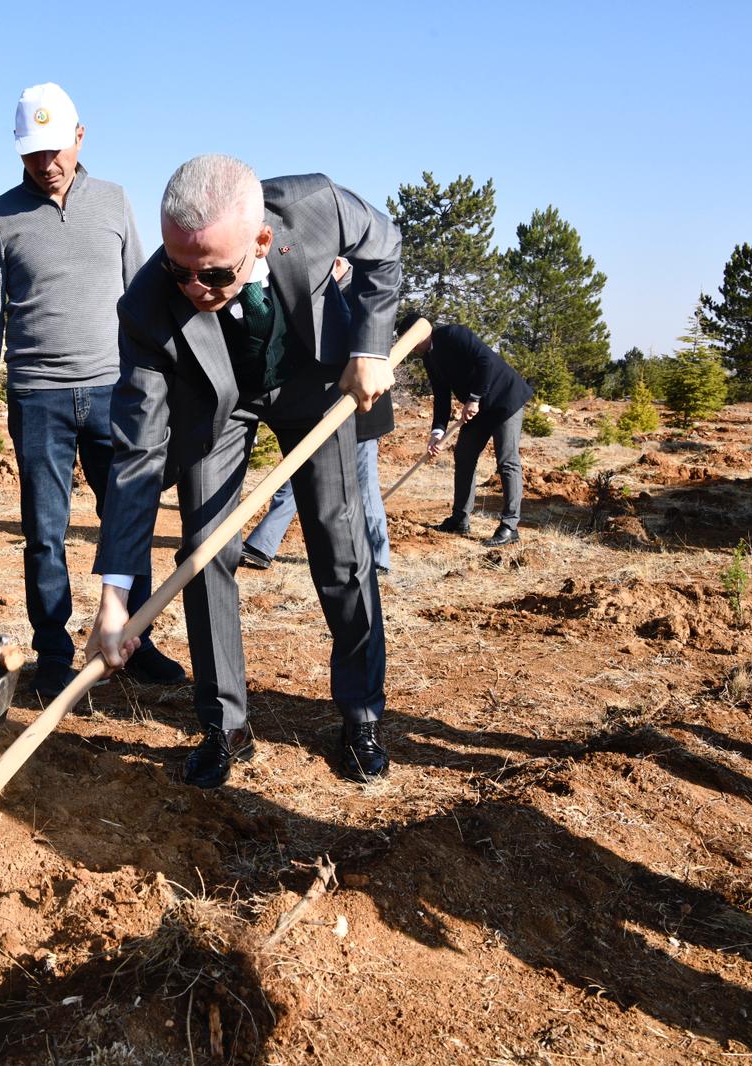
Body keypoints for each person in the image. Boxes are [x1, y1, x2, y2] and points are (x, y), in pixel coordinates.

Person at [89, 154, 399, 789]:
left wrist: (369, 348)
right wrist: (114, 599)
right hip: (218, 402)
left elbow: (384, 245)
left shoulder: (316, 207)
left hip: (319, 378)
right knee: (204, 552)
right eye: (181, 271)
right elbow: (137, 456)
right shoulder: (148, 307)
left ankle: (361, 715)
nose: (196, 290)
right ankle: (224, 725)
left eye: (215, 273)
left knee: (341, 546)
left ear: (261, 240)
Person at [0, 82, 185, 698]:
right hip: (38, 398)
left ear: (80, 137)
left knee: (128, 517)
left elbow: (148, 297)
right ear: (19, 152)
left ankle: (135, 637)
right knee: (44, 530)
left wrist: (163, 384)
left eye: (57, 148)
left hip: (116, 392)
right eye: (34, 153)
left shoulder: (114, 202)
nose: (47, 162)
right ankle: (54, 652)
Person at [242, 258, 394, 571]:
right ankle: (262, 545)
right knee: (296, 477)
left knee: (365, 487)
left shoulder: (360, 295)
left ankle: (379, 558)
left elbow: (369, 357)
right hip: (322, 408)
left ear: (337, 263)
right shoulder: (318, 293)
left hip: (362, 409)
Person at [414, 323, 533, 547]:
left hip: (504, 399)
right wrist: (437, 432)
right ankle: (460, 519)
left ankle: (510, 526)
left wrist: (475, 398)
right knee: (464, 454)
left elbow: (485, 360)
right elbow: (441, 397)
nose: (410, 349)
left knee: (507, 461)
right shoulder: (428, 358)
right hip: (479, 407)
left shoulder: (452, 334)